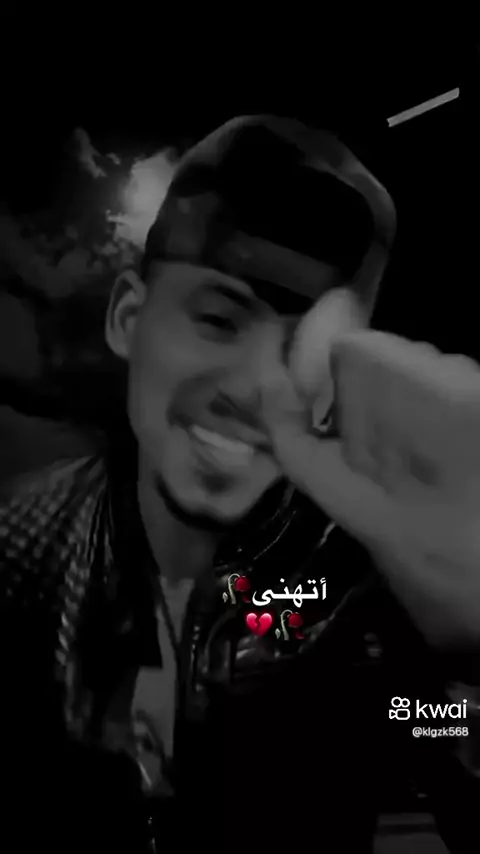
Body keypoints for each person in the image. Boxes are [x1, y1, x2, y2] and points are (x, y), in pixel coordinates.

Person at [1, 115, 479, 854]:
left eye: (301, 352)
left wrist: (468, 663)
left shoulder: (359, 586)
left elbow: (433, 730)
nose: (257, 392)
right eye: (219, 320)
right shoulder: (21, 545)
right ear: (129, 318)